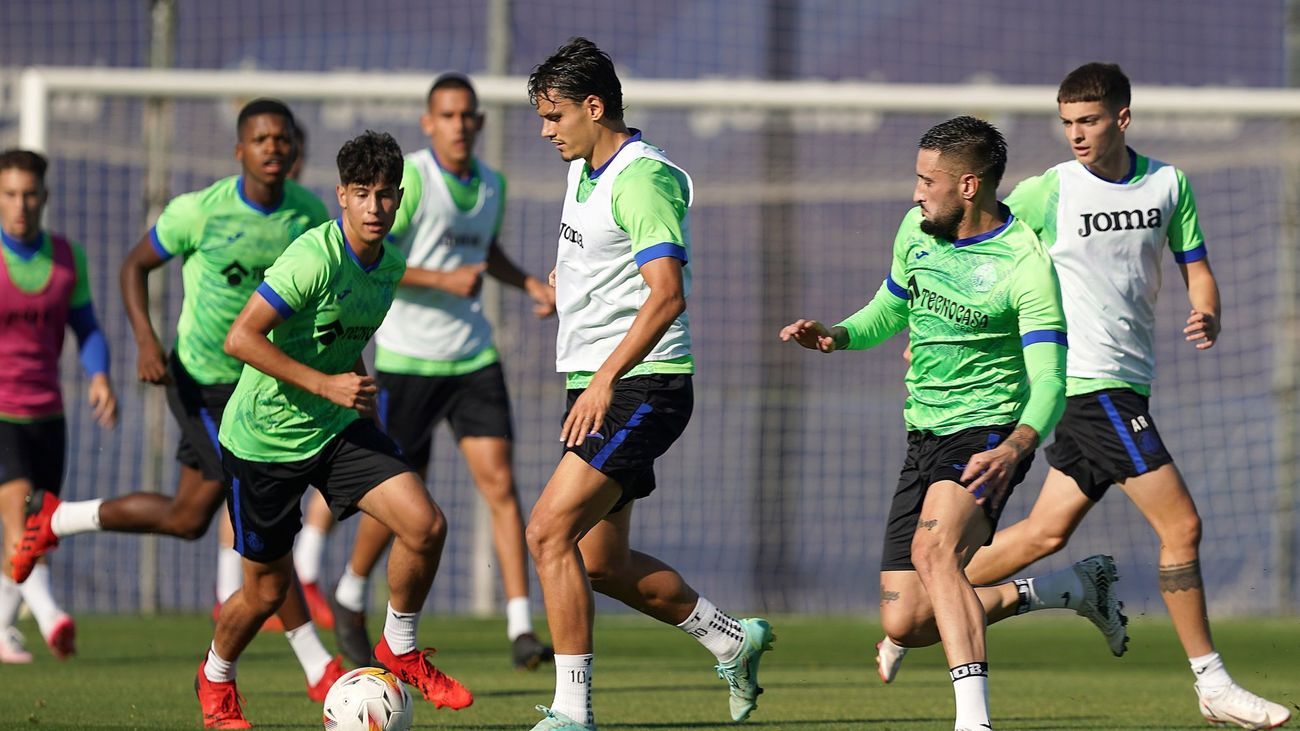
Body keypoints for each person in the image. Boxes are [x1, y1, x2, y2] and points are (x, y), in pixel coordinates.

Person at [876, 63, 1289, 730]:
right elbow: (981, 249)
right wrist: (930, 324)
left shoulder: (1167, 184)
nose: (1076, 134)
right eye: (1066, 122)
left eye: (1088, 121)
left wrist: (1206, 311)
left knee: (1045, 531)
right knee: (1182, 526)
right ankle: (1212, 682)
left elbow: (1198, 269)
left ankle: (921, 610)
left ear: (1121, 118)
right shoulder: (1048, 192)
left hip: (1126, 378)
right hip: (1085, 382)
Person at [781, 116, 1127, 731]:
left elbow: (1049, 377)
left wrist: (1018, 445)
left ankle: (974, 722)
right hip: (923, 435)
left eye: (926, 180)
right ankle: (1063, 590)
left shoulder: (1024, 264)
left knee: (934, 551)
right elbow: (889, 308)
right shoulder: (915, 232)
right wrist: (836, 334)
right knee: (906, 622)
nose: (916, 192)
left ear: (968, 186)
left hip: (988, 435)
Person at [12, 100, 344, 697]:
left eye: (283, 139)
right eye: (260, 139)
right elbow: (135, 266)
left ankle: (58, 517)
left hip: (262, 383)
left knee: (189, 517)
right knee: (260, 504)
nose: (273, 148)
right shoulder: (200, 211)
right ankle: (319, 666)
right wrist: (145, 339)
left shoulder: (311, 214)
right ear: (238, 150)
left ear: (295, 150)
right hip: (202, 381)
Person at [523, 38, 773, 731]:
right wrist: (563, 289)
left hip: (644, 386)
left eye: (555, 115)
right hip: (596, 382)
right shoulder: (586, 168)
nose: (546, 130)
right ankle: (729, 636)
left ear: (594, 107)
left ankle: (573, 712)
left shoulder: (643, 177)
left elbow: (666, 295)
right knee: (599, 562)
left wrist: (606, 378)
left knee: (546, 533)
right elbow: (603, 261)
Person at [195, 130, 473, 728]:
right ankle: (216, 676)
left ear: (400, 199)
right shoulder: (313, 255)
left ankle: (398, 645)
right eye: (362, 194)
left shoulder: (390, 265)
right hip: (263, 440)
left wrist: (355, 387)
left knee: (425, 525)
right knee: (266, 594)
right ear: (341, 195)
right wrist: (326, 385)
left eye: (386, 195)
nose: (375, 208)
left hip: (334, 426)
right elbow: (240, 338)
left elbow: (338, 339)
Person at [331, 72, 556, 671]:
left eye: (468, 115)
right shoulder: (411, 184)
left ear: (480, 122)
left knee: (501, 485)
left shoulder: (491, 186)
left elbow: (485, 252)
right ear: (429, 123)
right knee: (401, 497)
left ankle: (519, 627)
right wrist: (443, 280)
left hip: (473, 356)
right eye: (448, 115)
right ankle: (351, 591)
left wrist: (527, 280)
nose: (460, 124)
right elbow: (380, 260)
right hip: (407, 361)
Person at [0, 149, 116, 663]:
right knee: (23, 520)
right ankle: (50, 616)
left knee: (38, 527)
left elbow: (86, 326)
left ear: (44, 197)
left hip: (49, 413)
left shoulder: (67, 258)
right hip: (1, 412)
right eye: (9, 195)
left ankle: (2, 627)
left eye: (29, 195)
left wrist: (99, 376)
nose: (20, 205)